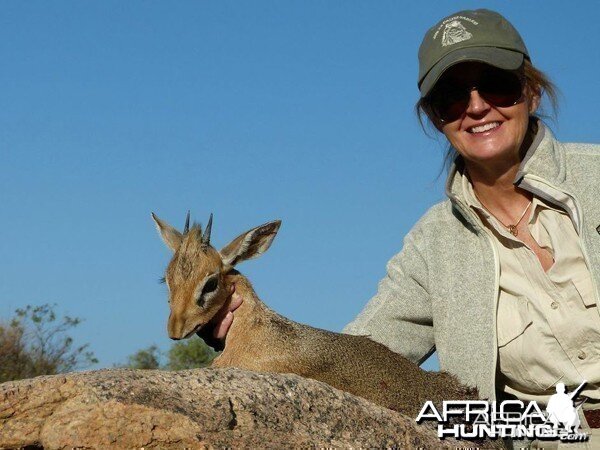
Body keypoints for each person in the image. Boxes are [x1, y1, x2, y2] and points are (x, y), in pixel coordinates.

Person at [200, 8, 600, 447]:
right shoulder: (433, 244)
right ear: (434, 117)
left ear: (532, 91)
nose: (477, 106)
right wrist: (248, 327)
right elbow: (352, 356)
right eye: (451, 95)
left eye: (497, 84)